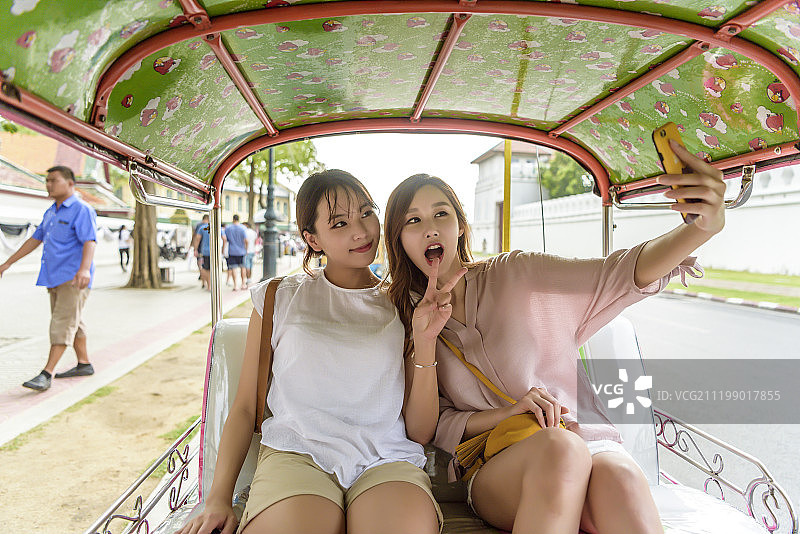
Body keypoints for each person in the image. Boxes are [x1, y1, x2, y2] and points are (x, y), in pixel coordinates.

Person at [383, 141, 725, 534]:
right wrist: (428, 343)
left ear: (460, 226)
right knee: (560, 451)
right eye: (413, 220)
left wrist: (700, 228)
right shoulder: (402, 315)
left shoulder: (518, 273)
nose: (430, 227)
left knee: (622, 476)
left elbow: (616, 274)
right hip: (499, 463)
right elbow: (426, 429)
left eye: (441, 213)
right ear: (400, 240)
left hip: (583, 438)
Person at [177, 169, 455, 534]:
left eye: (367, 213)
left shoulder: (404, 304)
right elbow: (244, 406)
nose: (361, 231)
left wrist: (426, 341)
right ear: (312, 238)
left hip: (385, 459)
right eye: (339, 223)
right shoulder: (279, 297)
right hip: (297, 454)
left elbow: (419, 430)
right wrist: (218, 498)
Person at [0, 166, 98, 392]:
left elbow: (90, 241)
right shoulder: (51, 212)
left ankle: (47, 373)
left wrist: (84, 270)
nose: (49, 184)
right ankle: (84, 364)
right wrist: (8, 263)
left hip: (73, 279)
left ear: (70, 184)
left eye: (54, 180)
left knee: (62, 323)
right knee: (72, 321)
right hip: (54, 277)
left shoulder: (82, 209)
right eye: (47, 180)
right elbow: (35, 240)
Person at [223, 215, 249, 291]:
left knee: (233, 268)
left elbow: (225, 239)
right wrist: (246, 249)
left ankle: (235, 285)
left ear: (233, 219)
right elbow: (246, 240)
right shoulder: (243, 228)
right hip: (242, 251)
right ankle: (243, 284)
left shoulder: (228, 228)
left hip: (232, 251)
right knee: (242, 267)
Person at [192, 217, 211, 291]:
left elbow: (197, 239)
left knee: (204, 268)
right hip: (213, 251)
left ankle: (205, 283)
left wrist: (195, 249)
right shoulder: (215, 227)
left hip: (203, 251)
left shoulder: (201, 227)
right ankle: (210, 284)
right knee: (211, 269)